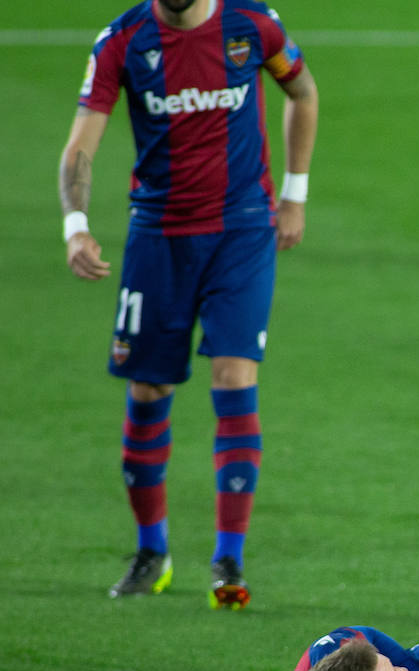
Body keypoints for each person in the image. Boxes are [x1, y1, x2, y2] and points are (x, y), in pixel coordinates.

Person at [59, 0, 319, 609]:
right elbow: (80, 145)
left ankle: (229, 559)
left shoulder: (252, 25)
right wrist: (75, 223)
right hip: (157, 236)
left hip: (243, 232)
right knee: (149, 392)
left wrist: (295, 193)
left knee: (233, 378)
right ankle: (154, 550)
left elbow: (302, 92)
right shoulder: (122, 42)